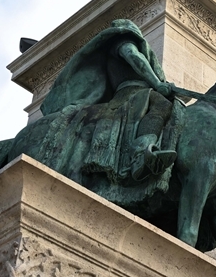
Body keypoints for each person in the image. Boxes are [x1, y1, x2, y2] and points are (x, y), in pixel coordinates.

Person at [41, 19, 177, 181]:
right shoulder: (124, 43)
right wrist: (157, 83)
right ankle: (140, 156)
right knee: (162, 105)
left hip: (138, 92)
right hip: (129, 93)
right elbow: (134, 58)